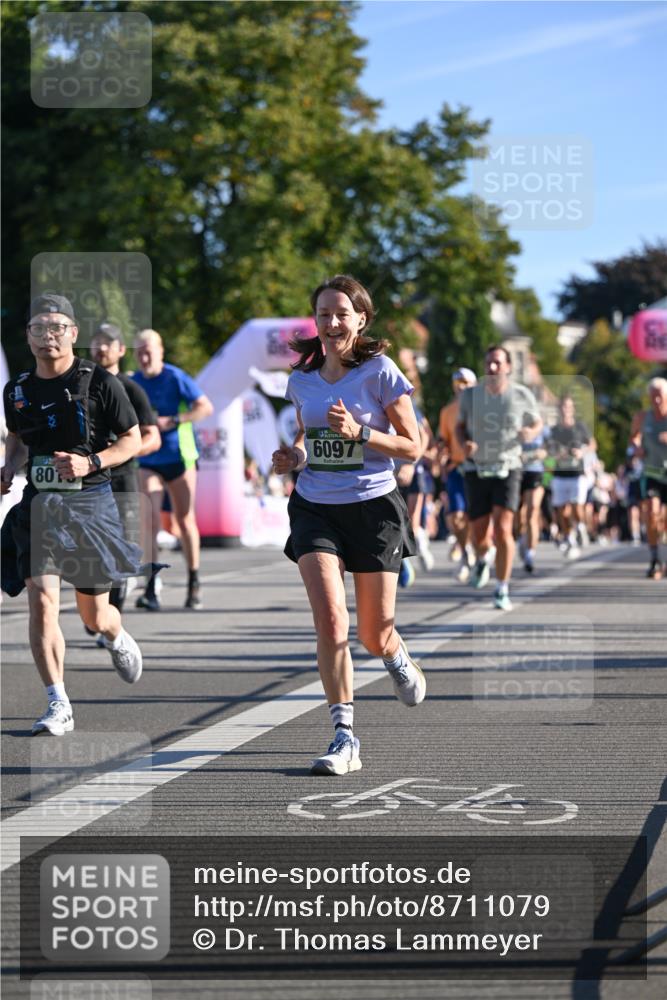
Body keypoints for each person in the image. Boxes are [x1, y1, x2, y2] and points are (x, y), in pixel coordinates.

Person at [272, 275, 425, 776]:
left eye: (342, 314)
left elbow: (413, 446)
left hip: (374, 508)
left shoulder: (380, 373)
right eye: (323, 315)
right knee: (331, 621)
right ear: (314, 323)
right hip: (315, 505)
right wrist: (292, 455)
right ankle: (344, 735)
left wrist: (363, 433)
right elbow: (307, 436)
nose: (332, 323)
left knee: (372, 632)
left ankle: (396, 655)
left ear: (361, 319)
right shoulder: (301, 379)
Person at [1, 295, 144, 736]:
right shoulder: (18, 389)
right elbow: (19, 438)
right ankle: (58, 701)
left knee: (93, 615)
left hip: (89, 505)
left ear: (73, 334)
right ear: (28, 336)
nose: (48, 336)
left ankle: (114, 634)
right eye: (39, 328)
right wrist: (10, 465)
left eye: (57, 327)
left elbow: (133, 440)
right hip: (41, 504)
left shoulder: (99, 382)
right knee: (42, 600)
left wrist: (92, 462)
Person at [456, 345, 542, 611]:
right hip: (476, 468)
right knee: (479, 534)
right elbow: (459, 426)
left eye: (497, 363)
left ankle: (502, 588)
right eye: (488, 363)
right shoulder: (470, 396)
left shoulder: (521, 395)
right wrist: (464, 444)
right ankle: (483, 558)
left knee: (504, 528)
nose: (492, 368)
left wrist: (530, 432)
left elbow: (537, 422)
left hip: (509, 466)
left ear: (507, 367)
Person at [87, 323, 161, 638]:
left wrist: (123, 452)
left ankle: (110, 615)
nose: (101, 349)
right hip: (88, 480)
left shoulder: (130, 388)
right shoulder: (79, 385)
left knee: (116, 550)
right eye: (96, 343)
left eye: (108, 343)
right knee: (88, 548)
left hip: (121, 479)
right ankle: (94, 609)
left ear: (120, 350)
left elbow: (153, 437)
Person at [131, 329, 213, 610]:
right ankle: (152, 586)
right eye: (139, 351)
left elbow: (205, 408)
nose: (144, 357)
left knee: (184, 519)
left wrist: (175, 420)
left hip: (180, 456)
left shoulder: (175, 377)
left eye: (148, 351)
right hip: (148, 459)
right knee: (150, 520)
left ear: (160, 351)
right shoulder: (134, 381)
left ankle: (194, 580)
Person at [439, 367, 477, 583]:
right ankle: (465, 552)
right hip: (456, 468)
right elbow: (442, 437)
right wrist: (441, 452)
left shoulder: (482, 410)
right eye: (457, 383)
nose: (461, 387)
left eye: (465, 383)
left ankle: (473, 547)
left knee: (474, 515)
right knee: (455, 515)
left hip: (478, 469)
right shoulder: (447, 411)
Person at [548, 395, 592, 559]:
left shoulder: (580, 427)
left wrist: (582, 452)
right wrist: (555, 455)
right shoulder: (554, 430)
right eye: (562, 406)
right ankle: (570, 537)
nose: (565, 409)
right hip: (559, 474)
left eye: (568, 406)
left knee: (576, 506)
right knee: (562, 511)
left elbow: (592, 444)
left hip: (577, 474)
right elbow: (548, 449)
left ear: (572, 408)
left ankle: (580, 526)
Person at [631, 377, 667, 579]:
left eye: (660, 397)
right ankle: (655, 559)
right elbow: (633, 437)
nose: (657, 401)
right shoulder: (643, 417)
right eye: (653, 397)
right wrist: (636, 447)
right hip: (652, 473)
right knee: (652, 514)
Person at [517, 425, 549, 573]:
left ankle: (530, 554)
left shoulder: (542, 426)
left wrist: (536, 455)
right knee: (518, 515)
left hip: (535, 471)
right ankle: (522, 538)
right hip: (515, 471)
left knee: (532, 511)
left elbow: (549, 449)